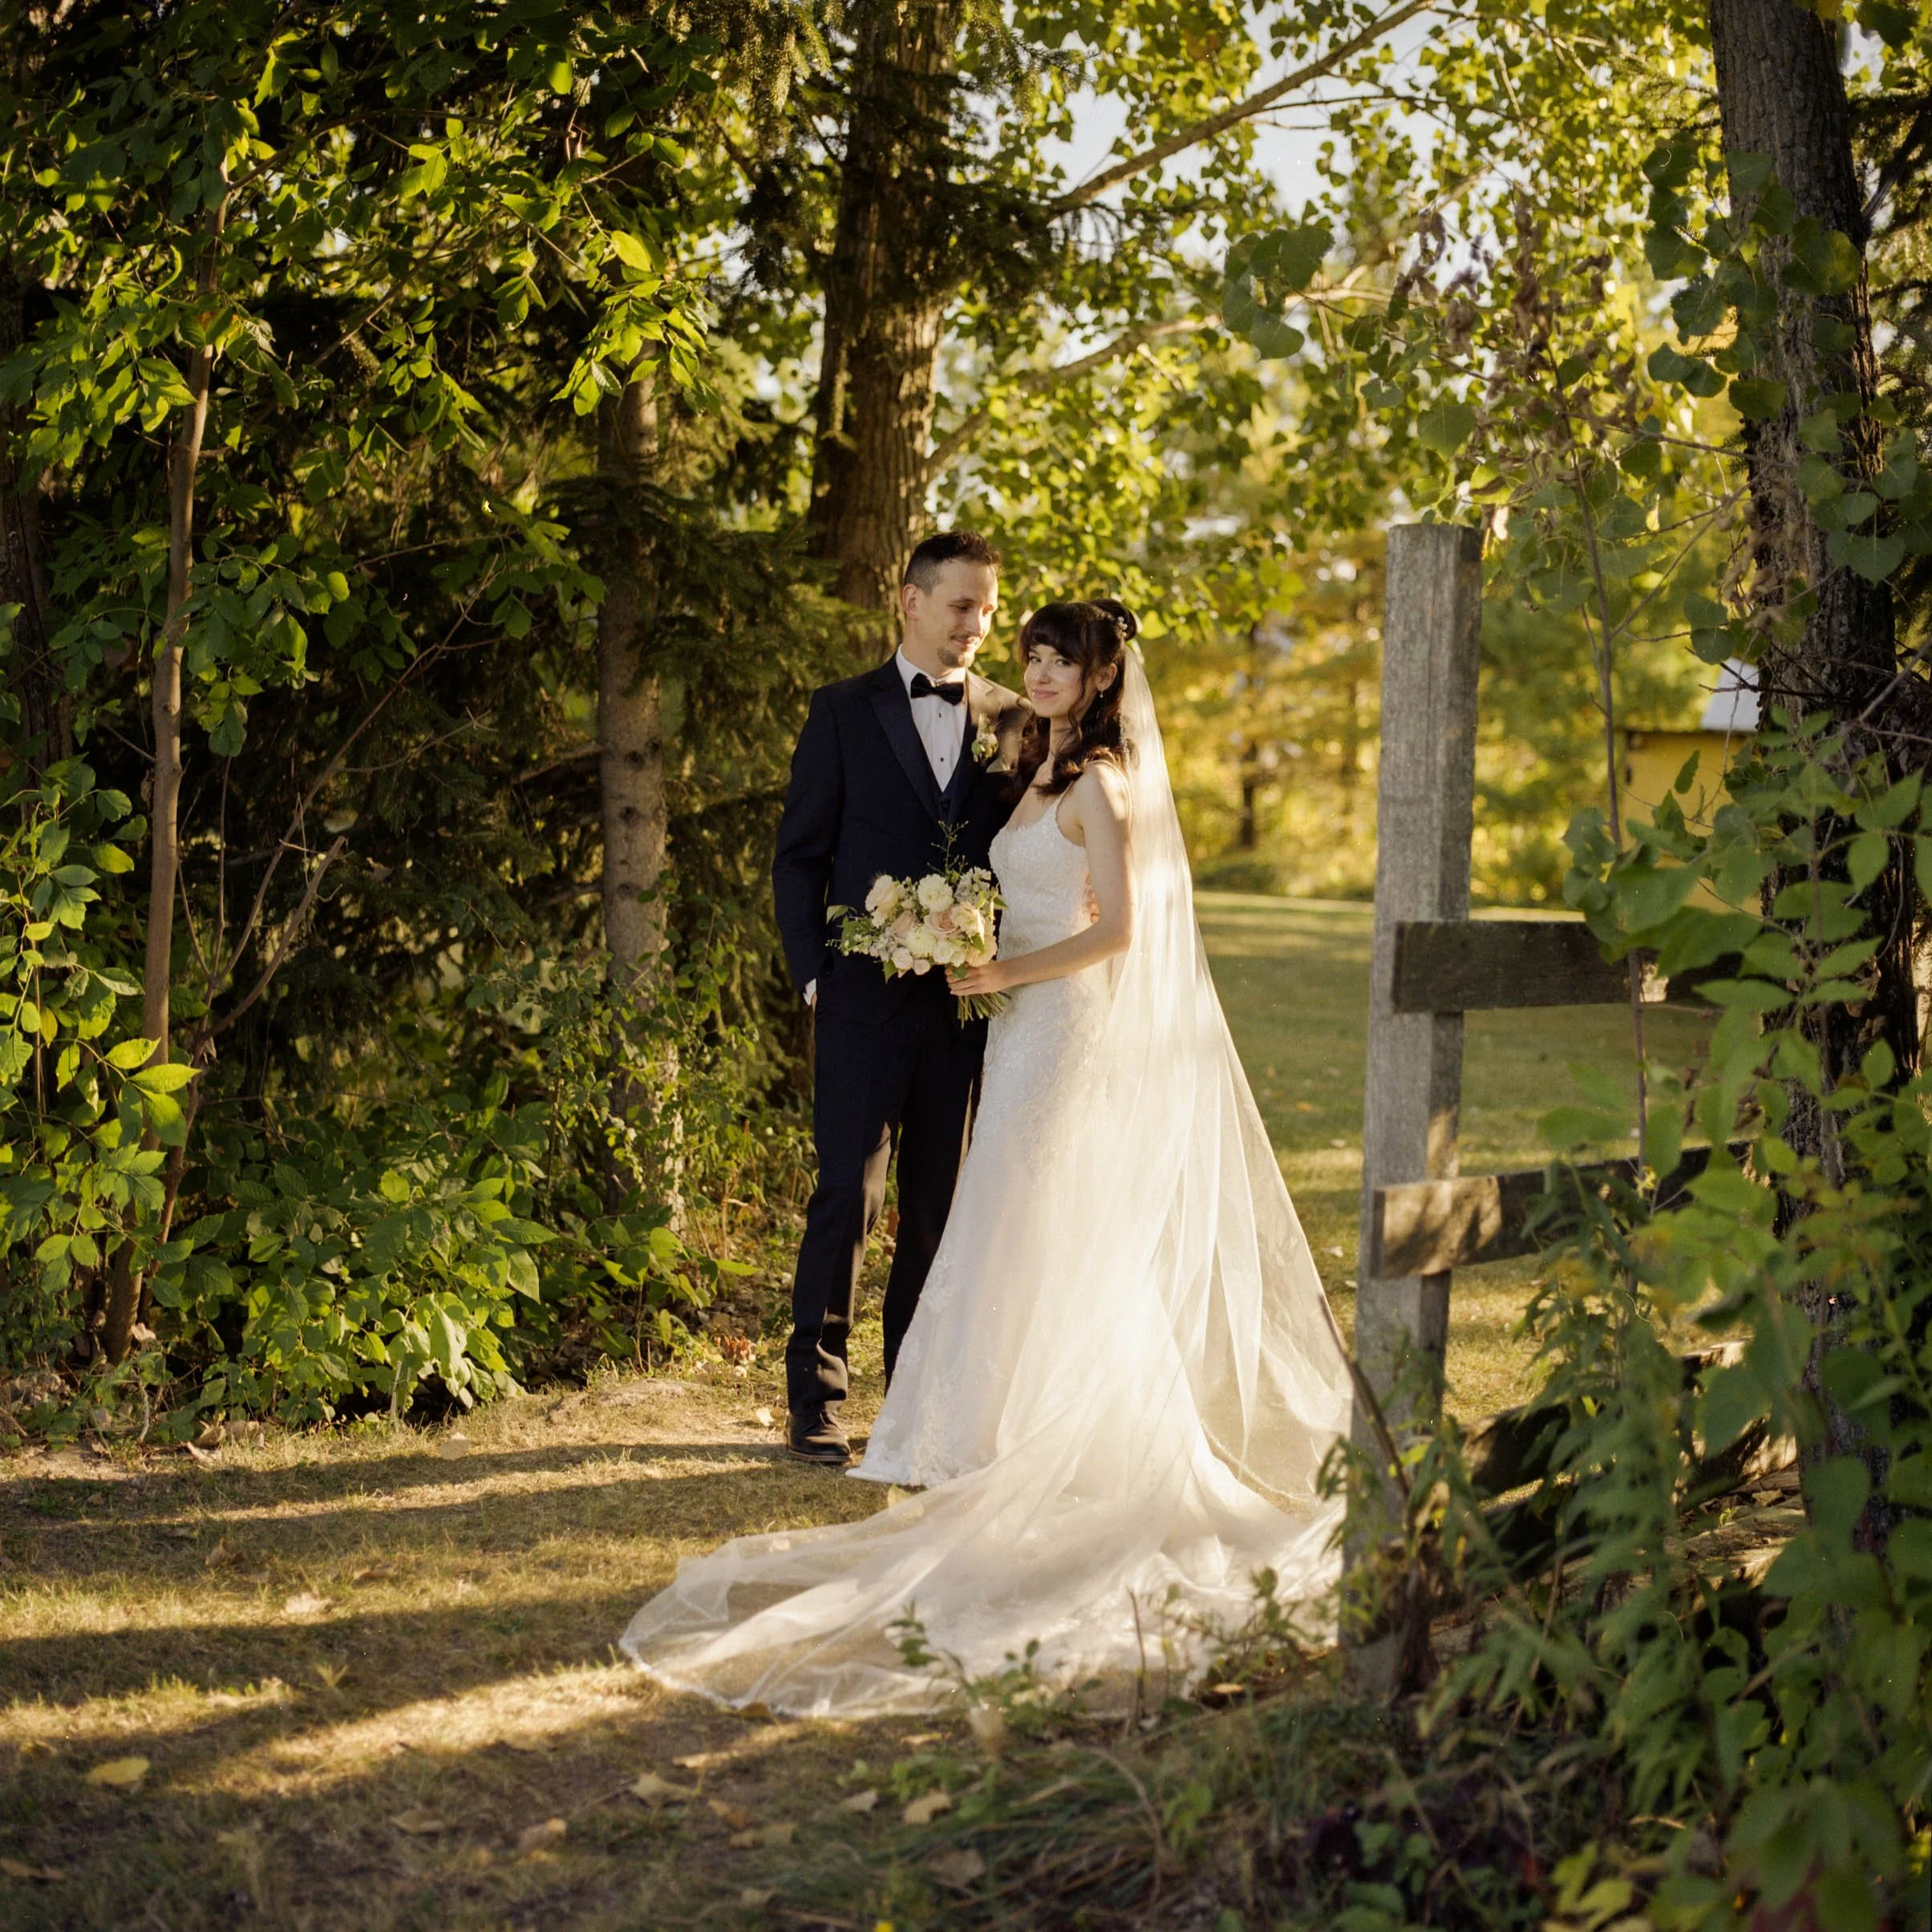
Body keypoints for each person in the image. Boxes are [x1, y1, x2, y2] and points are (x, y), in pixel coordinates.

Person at [622, 597, 1352, 1717]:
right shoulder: (1033, 772)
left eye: (1064, 659)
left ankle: (1058, 1429)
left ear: (1104, 675)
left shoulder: (1103, 784)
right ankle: (971, 1427)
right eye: (1036, 656)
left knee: (1046, 1221)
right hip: (1014, 1033)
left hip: (1064, 1029)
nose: (1044, 671)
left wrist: (1001, 974)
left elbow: (1122, 932)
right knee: (1003, 1220)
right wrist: (954, 931)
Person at [769, 530, 1028, 1468]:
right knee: (848, 1195)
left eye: (988, 609)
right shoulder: (841, 711)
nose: (977, 625)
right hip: (859, 1002)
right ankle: (817, 1402)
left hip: (965, 1008)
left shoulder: (1012, 720)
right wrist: (814, 975)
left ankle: (913, 1402)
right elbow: (799, 855)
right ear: (910, 602)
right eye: (961, 605)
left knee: (936, 1208)